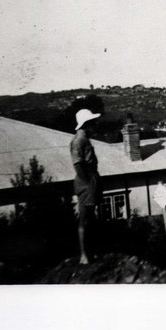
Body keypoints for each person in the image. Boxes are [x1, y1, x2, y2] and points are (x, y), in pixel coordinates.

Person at [70, 109, 102, 264]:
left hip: (92, 178)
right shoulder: (78, 141)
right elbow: (78, 164)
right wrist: (88, 183)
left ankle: (92, 251)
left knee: (92, 217)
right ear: (86, 124)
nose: (95, 126)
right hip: (86, 180)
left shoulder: (85, 140)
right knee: (84, 218)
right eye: (92, 123)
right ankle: (84, 255)